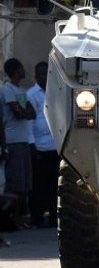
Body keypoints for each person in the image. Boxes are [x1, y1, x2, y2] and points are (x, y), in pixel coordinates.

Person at [2, 58, 35, 230]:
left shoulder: (20, 90)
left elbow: (32, 112)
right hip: (13, 140)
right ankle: (10, 220)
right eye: (22, 68)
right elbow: (20, 113)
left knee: (24, 184)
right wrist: (24, 111)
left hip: (23, 140)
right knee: (15, 183)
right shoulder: (7, 90)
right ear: (16, 71)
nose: (24, 70)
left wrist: (24, 111)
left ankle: (20, 218)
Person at [27, 62, 58, 228]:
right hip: (39, 147)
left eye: (47, 74)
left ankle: (54, 217)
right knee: (38, 186)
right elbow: (28, 123)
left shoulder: (56, 91)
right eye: (41, 74)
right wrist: (32, 145)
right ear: (36, 76)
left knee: (55, 185)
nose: (44, 77)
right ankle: (36, 217)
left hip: (55, 146)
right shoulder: (31, 94)